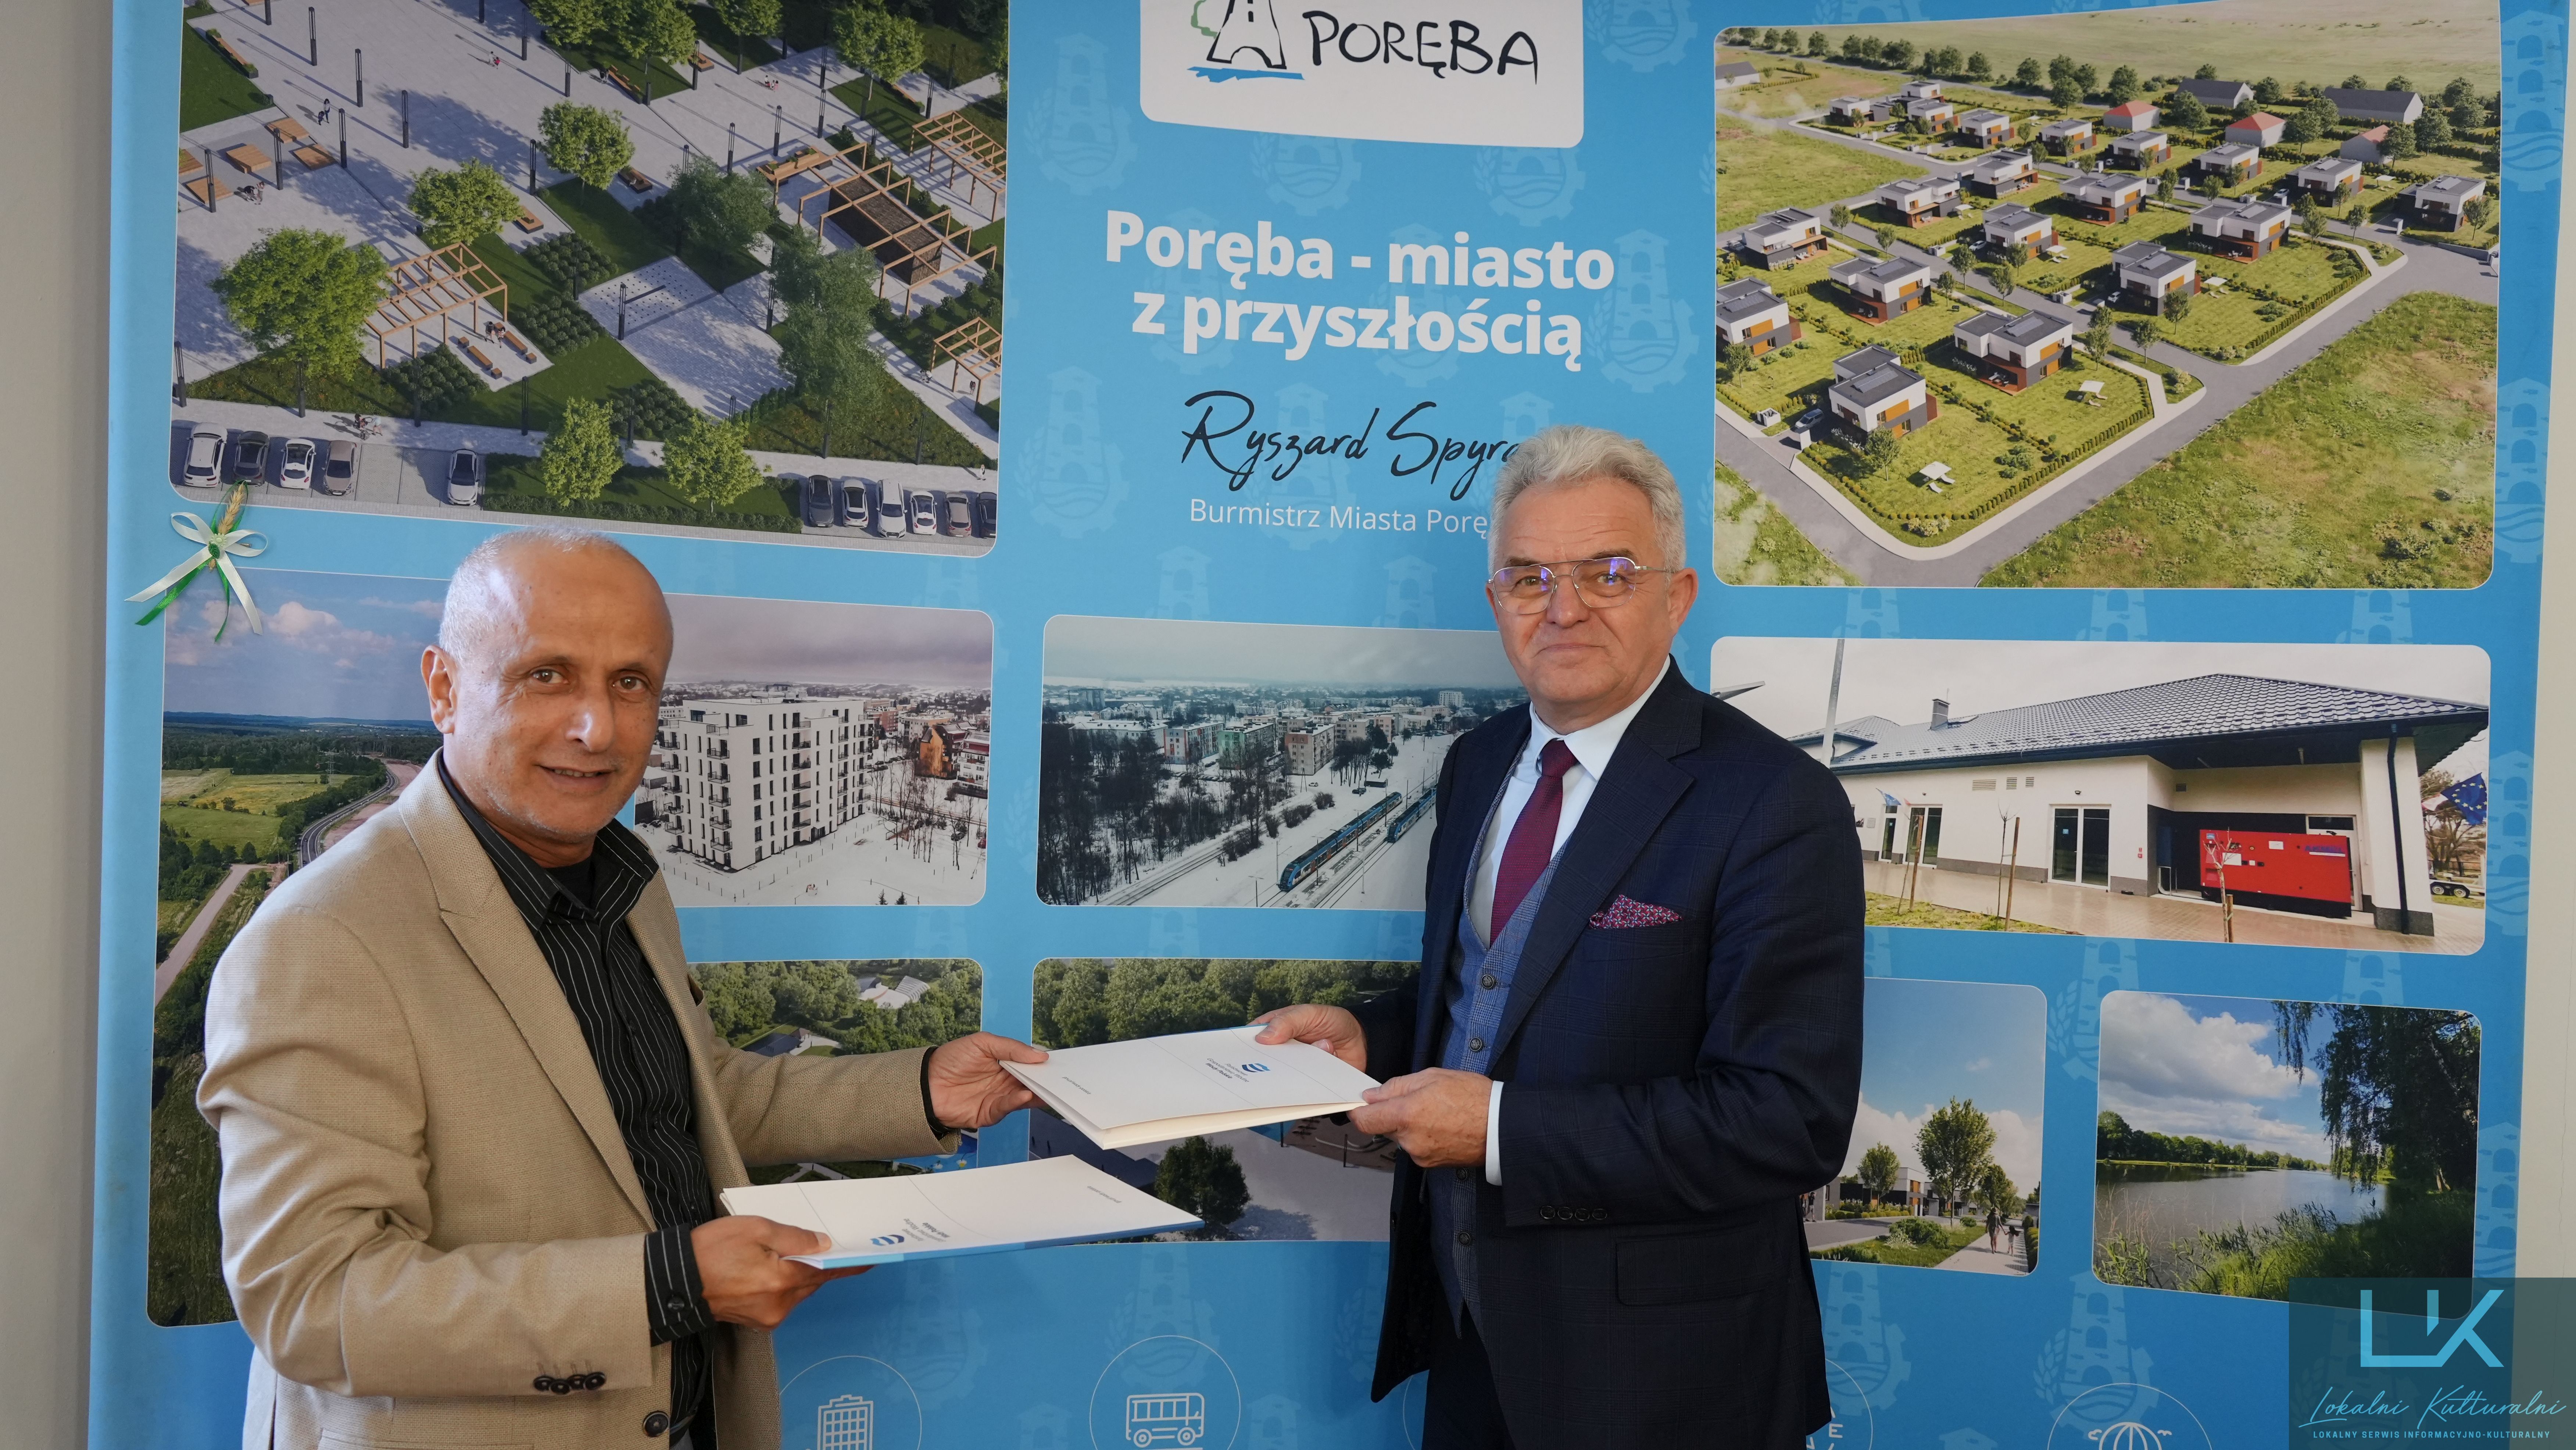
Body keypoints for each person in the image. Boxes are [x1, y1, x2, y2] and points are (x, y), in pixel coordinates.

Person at [198, 528, 1048, 1450]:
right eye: (547, 675)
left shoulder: (625, 879)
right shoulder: (321, 939)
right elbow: (314, 1300)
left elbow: (694, 1099)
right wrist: (667, 1286)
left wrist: (923, 1089)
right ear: (443, 688)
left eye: (631, 682)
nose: (597, 728)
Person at [1256, 425, 1864, 1449]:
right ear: (1496, 598)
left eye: (1608, 573)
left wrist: (1498, 1130)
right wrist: (1372, 1036)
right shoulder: (1478, 760)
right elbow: (1495, 995)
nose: (1564, 606)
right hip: (1470, 1336)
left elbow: (1787, 1119)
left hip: (1667, 1379)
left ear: (1678, 595)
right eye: (1529, 576)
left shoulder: (1776, 802)